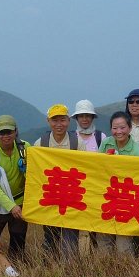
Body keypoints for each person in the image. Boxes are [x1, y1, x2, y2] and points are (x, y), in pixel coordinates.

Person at [34, 104, 85, 258]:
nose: (59, 124)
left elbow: (85, 169)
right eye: (54, 120)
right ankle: (49, 270)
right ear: (48, 121)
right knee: (50, 238)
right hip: (50, 198)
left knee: (70, 240)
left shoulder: (77, 142)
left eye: (62, 120)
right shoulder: (41, 143)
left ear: (68, 121)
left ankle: (69, 272)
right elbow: (37, 173)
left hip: (71, 198)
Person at [97, 112, 139, 254]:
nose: (118, 132)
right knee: (103, 240)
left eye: (122, 128)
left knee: (123, 245)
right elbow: (98, 165)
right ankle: (103, 272)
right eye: (114, 128)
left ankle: (125, 274)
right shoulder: (106, 143)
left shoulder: (137, 150)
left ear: (130, 128)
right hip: (107, 198)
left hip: (126, 201)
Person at [0, 115, 30, 260]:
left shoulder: (25, 147)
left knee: (18, 237)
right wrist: (11, 206)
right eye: (2, 133)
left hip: (20, 199)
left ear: (16, 132)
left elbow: (34, 174)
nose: (6, 136)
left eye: (9, 132)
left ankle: (16, 266)